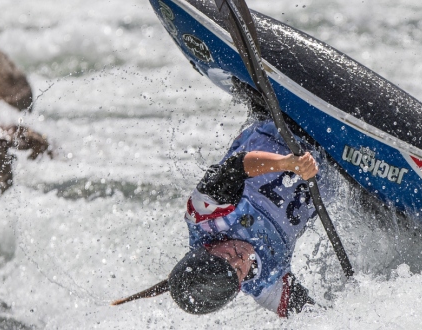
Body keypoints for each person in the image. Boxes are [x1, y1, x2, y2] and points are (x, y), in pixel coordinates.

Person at [112, 119, 328, 317]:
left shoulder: (205, 217)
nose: (241, 258)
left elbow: (237, 167)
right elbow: (320, 317)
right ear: (239, 286)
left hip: (283, 131)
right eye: (237, 271)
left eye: (226, 257)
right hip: (331, 165)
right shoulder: (266, 286)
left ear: (207, 249)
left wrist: (288, 163)